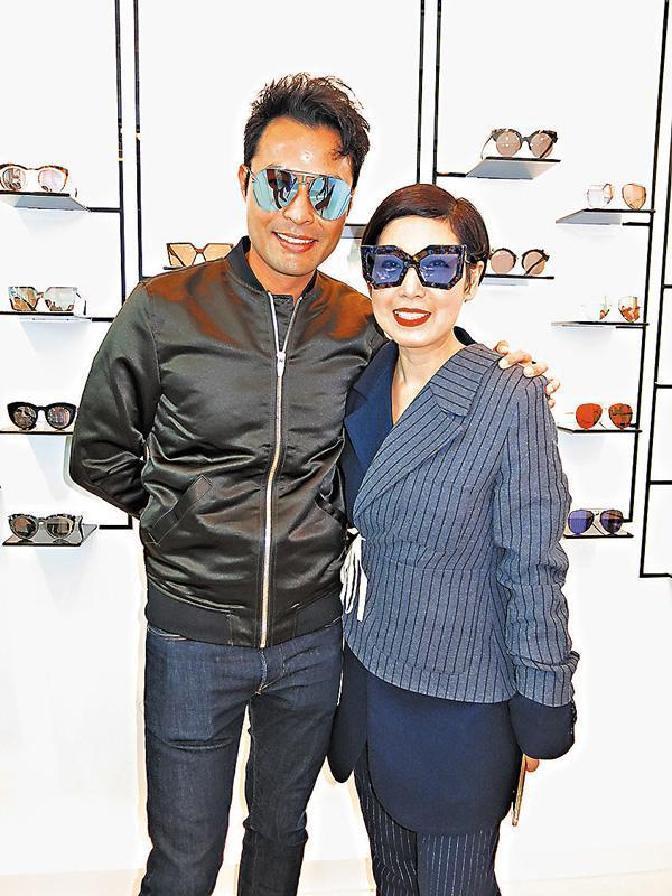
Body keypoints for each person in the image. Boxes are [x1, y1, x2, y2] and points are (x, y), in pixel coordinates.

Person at [69, 75, 558, 896]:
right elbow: (99, 453)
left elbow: (432, 360)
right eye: (279, 183)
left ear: (347, 201)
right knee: (184, 861)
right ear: (245, 181)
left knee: (281, 834)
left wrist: (505, 366)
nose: (299, 210)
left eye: (325, 190)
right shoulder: (163, 310)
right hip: (192, 637)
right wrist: (185, 519)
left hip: (312, 638)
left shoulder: (360, 321)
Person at [328, 184, 579, 896]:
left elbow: (532, 567)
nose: (411, 288)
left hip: (462, 706)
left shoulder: (509, 396)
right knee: (394, 884)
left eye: (437, 266)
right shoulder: (360, 383)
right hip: (372, 685)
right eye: (389, 265)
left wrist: (542, 703)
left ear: (472, 278)